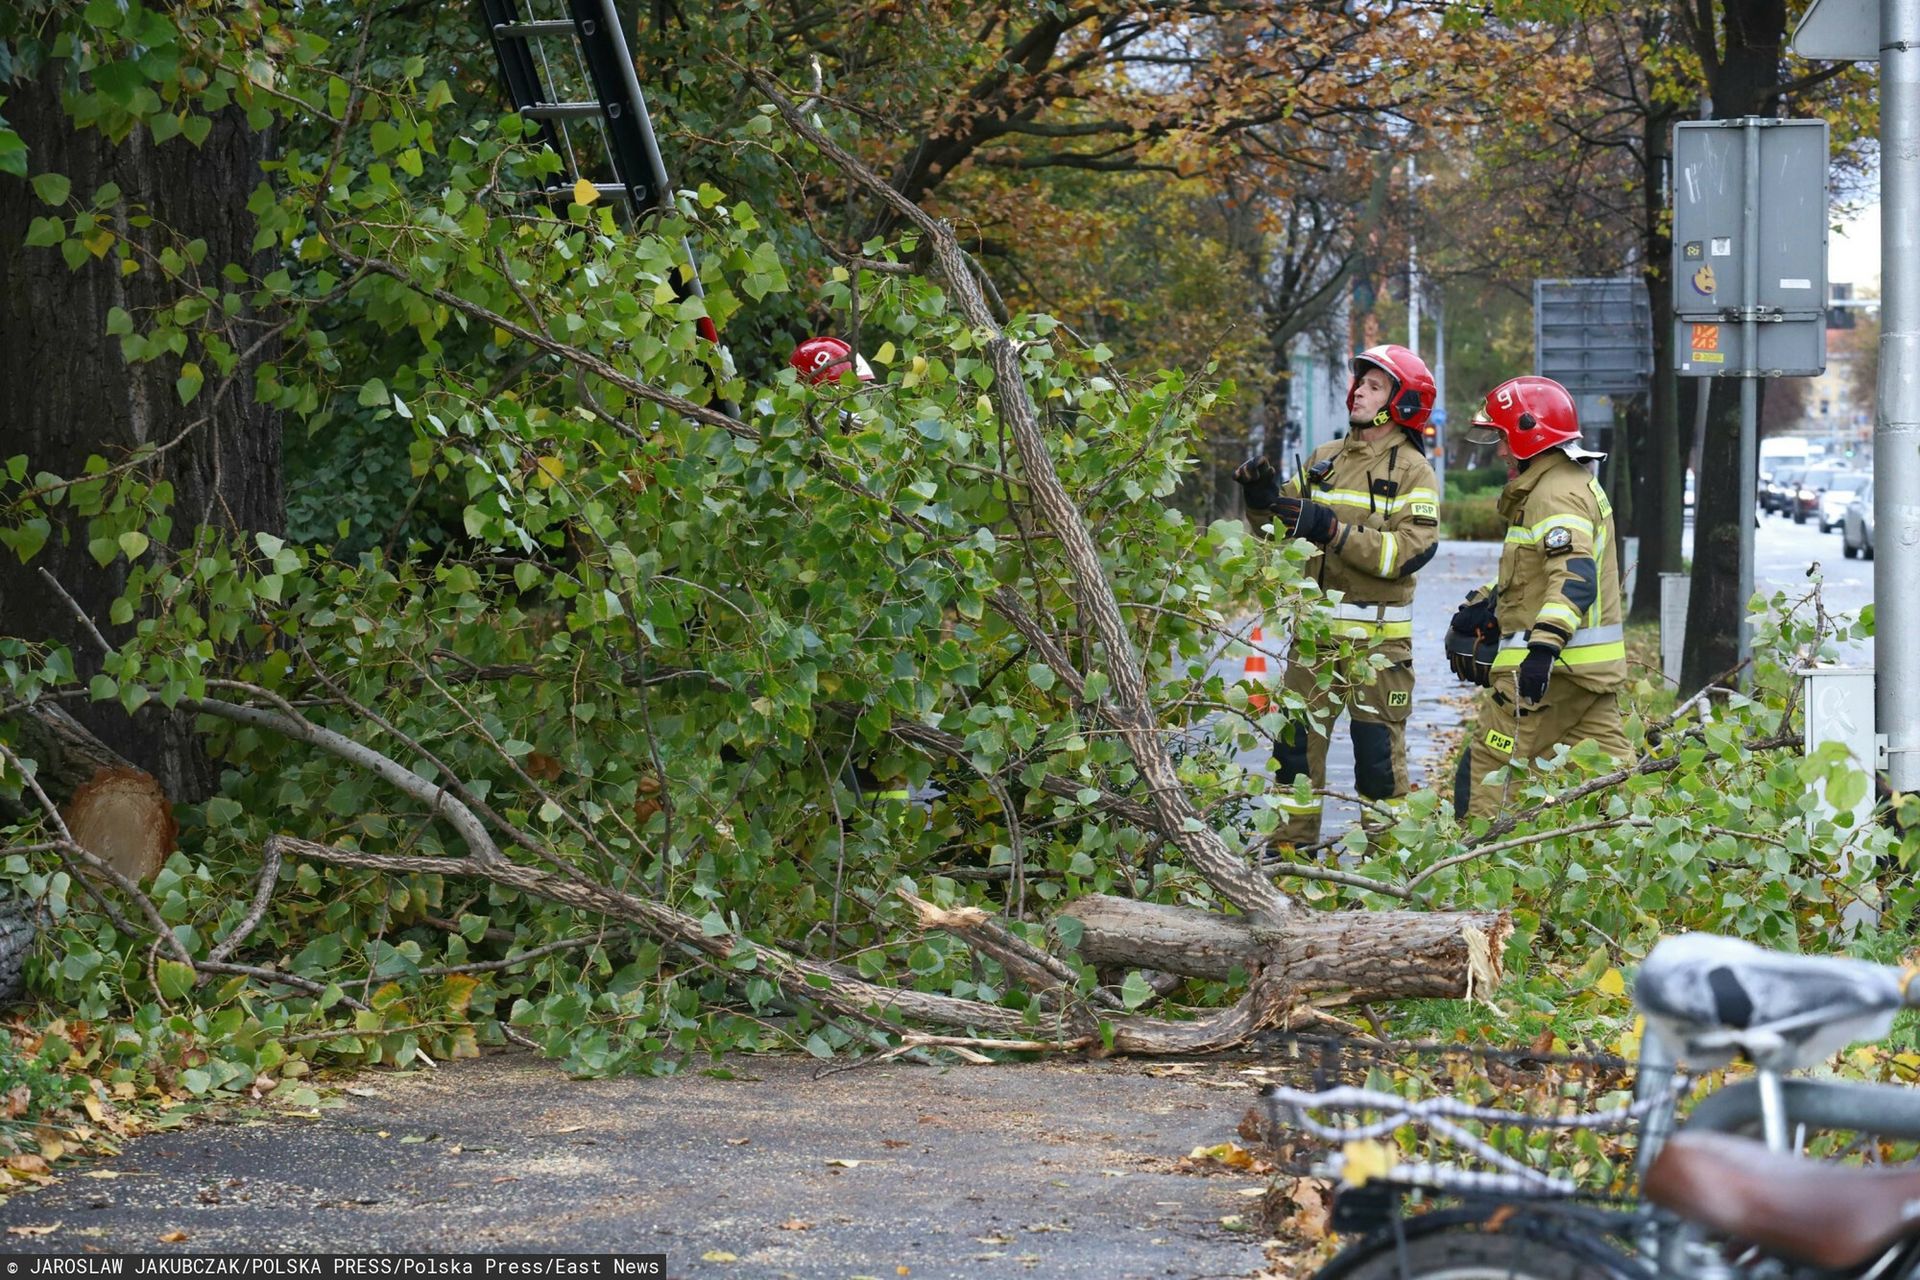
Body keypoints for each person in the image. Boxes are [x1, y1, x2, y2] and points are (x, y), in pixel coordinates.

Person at [1234, 344, 1441, 847]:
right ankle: (1292, 866)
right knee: (1295, 759)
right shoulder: (1323, 459)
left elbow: (1409, 552)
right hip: (1313, 645)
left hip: (1377, 648)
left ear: (1403, 404)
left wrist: (1333, 530)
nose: (1359, 391)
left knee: (1377, 767)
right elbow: (1277, 532)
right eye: (1359, 382)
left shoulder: (1414, 471)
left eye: (1373, 386)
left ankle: (1386, 874)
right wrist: (1261, 501)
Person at [1446, 375, 1633, 819]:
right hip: (1586, 678)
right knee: (1612, 782)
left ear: (1531, 434)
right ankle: (1637, 857)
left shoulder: (1553, 496)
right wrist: (1491, 604)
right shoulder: (1568, 483)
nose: (1500, 451)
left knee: (1490, 770)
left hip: (1550, 679)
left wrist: (1542, 650)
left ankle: (1473, 872)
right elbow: (1541, 571)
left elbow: (1573, 576)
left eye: (1503, 438)